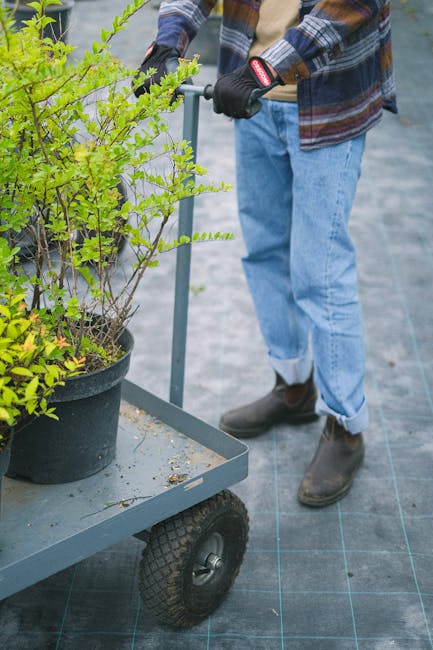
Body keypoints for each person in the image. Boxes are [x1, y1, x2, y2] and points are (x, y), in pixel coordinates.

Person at [134, 0, 397, 506]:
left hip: (325, 102)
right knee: (264, 250)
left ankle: (346, 427)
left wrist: (263, 67)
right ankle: (294, 386)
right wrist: (169, 38)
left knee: (319, 270)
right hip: (255, 102)